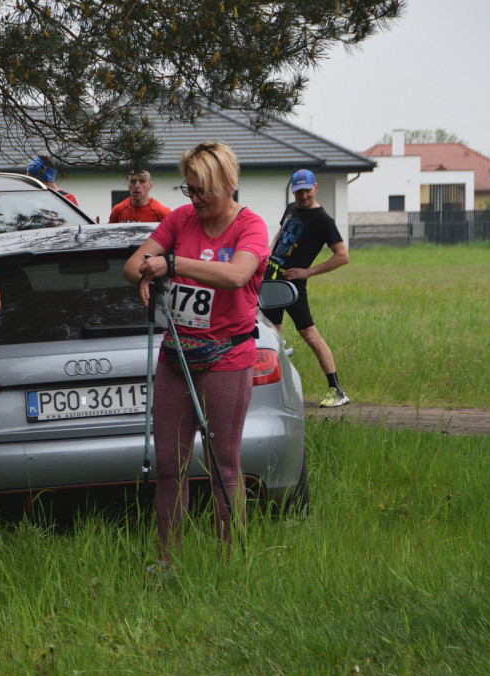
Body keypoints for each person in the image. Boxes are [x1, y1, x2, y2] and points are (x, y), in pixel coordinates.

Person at [123, 141, 269, 566]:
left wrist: (174, 264)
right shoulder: (181, 219)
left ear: (228, 183)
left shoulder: (250, 226)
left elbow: (238, 274)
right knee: (170, 464)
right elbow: (133, 264)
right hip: (176, 356)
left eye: (203, 189)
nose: (196, 199)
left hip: (227, 356)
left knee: (225, 465)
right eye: (189, 189)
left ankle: (230, 562)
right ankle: (168, 560)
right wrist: (145, 276)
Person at [262, 169, 350, 408]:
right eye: (298, 191)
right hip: (271, 279)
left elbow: (343, 256)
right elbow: (281, 234)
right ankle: (274, 393)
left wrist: (308, 271)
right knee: (271, 334)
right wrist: (267, 257)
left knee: (308, 333)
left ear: (316, 188)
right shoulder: (291, 208)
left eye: (306, 190)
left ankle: (337, 390)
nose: (302, 195)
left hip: (292, 284)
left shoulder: (323, 220)